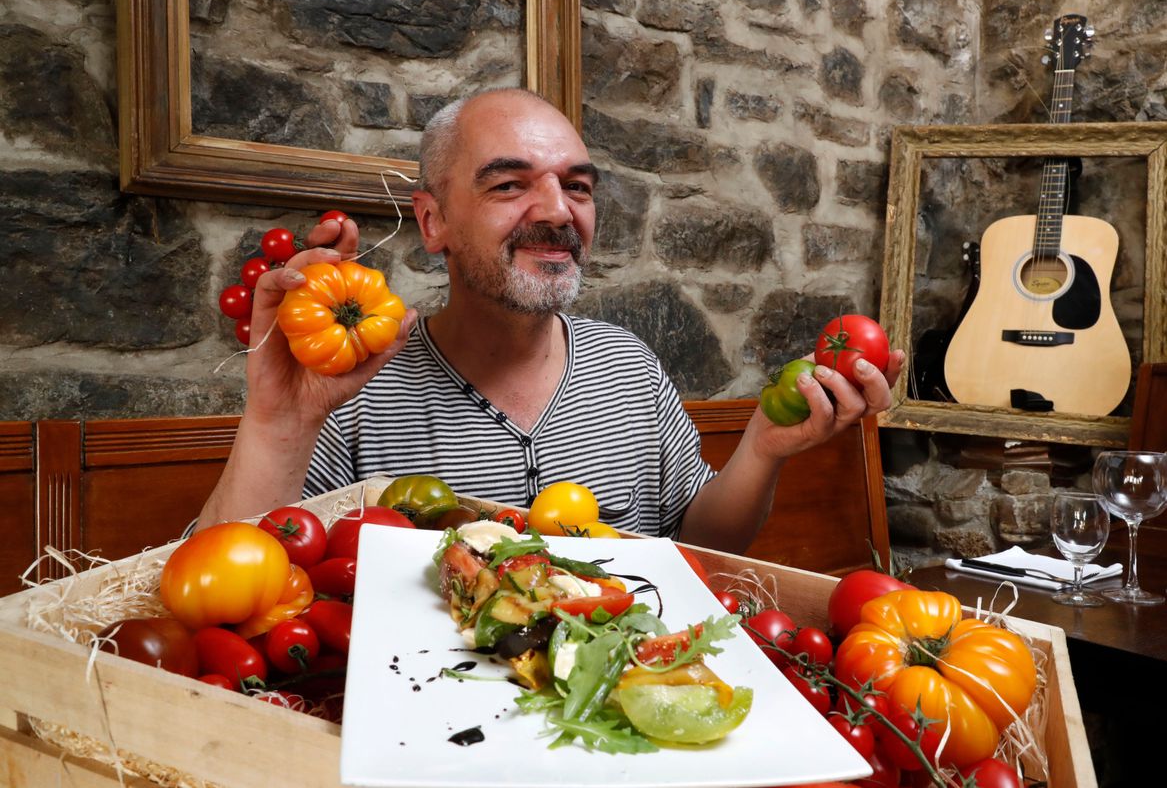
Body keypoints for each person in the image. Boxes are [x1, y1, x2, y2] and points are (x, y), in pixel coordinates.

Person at [196, 88, 903, 552]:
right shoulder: (358, 390)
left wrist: (762, 447)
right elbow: (231, 579)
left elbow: (699, 538)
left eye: (577, 186)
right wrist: (278, 424)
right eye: (510, 184)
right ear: (434, 220)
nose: (558, 211)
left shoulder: (628, 365)